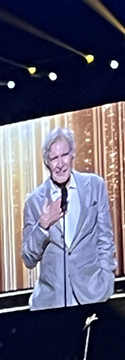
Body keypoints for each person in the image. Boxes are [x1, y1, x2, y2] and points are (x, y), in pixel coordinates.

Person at [21, 126, 118, 310]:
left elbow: (105, 239)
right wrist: (43, 225)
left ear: (73, 154)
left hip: (93, 296)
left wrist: (106, 279)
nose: (60, 164)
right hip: (51, 304)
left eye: (64, 155)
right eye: (54, 158)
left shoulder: (94, 186)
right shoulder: (34, 202)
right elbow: (28, 259)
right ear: (46, 163)